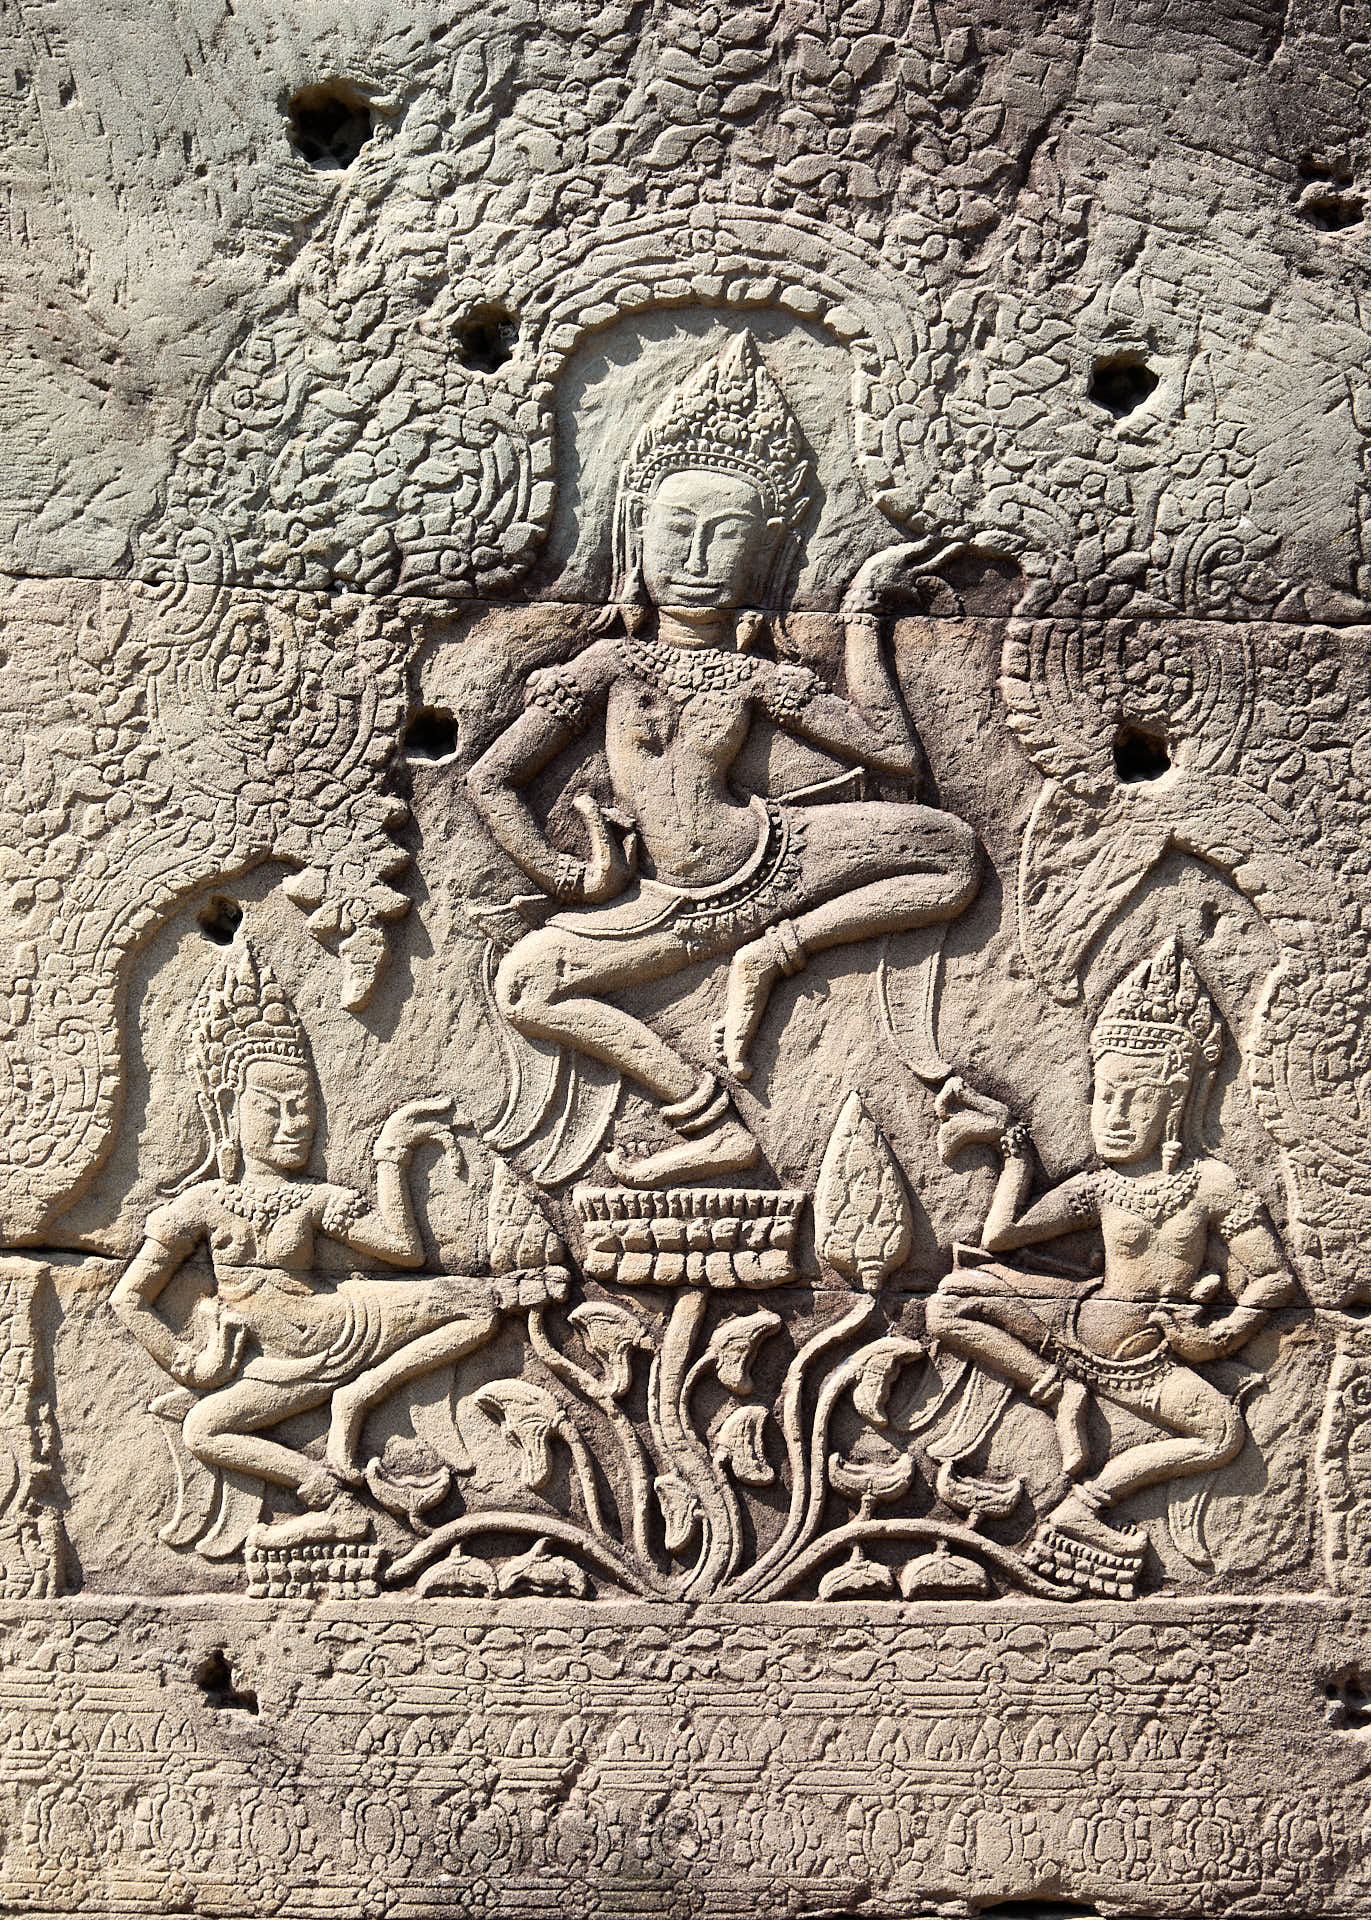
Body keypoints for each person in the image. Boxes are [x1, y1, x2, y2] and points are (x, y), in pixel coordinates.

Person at [468, 333, 979, 1184]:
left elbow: (891, 753)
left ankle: (774, 954)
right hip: (664, 905)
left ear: (765, 552)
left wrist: (859, 618)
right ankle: (708, 1123)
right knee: (527, 985)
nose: (698, 559)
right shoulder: (606, 666)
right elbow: (491, 777)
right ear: (636, 529)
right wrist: (569, 878)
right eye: (677, 531)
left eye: (726, 536)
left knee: (951, 853)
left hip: (770, 864)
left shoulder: (753, 677)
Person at [112, 943, 561, 1550]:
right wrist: (192, 1363)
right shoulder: (202, 1205)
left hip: (347, 1322)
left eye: (302, 1106)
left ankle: (359, 1398)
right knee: (202, 1431)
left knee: (476, 1309)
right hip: (276, 1365)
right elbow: (129, 1297)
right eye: (270, 1107)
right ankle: (323, 1493)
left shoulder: (313, 1198)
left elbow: (402, 1250)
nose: (292, 1123)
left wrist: (392, 1154)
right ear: (227, 1110)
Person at [927, 938, 1296, 1596]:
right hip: (1073, 1324)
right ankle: (1057, 1394)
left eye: (1136, 1100)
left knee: (1221, 1435)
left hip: (1147, 1361)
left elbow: (1273, 1277)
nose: (1115, 1116)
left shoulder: (1211, 1186)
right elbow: (1003, 1234)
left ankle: (1087, 1505)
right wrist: (1013, 1150)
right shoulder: (1100, 1187)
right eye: (1105, 1096)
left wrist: (1219, 1335)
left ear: (1174, 1103)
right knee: (949, 1301)